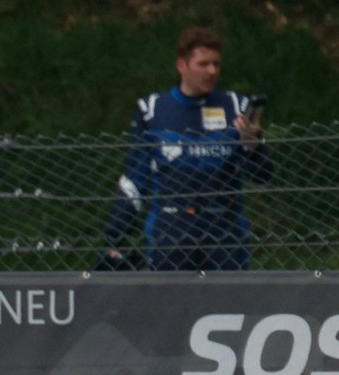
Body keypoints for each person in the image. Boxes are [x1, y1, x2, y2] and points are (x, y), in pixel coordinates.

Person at [103, 25, 273, 272]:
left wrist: (253, 145)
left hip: (225, 232)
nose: (212, 71)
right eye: (203, 64)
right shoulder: (151, 110)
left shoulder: (237, 106)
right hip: (170, 231)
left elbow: (263, 176)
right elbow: (134, 179)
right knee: (171, 307)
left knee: (231, 306)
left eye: (216, 64)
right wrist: (114, 236)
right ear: (182, 66)